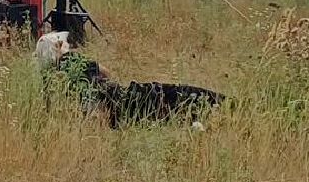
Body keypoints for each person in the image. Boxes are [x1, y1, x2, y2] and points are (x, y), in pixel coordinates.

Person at [35, 31, 225, 128]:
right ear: (56, 48)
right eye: (61, 44)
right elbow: (106, 72)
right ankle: (224, 105)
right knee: (176, 95)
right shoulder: (73, 60)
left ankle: (214, 112)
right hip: (124, 99)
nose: (65, 45)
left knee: (168, 113)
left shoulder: (52, 77)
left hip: (117, 115)